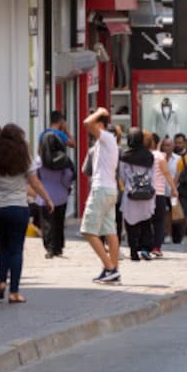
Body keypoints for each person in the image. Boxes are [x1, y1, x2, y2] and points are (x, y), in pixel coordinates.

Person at [0, 123, 54, 303]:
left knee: (4, 246)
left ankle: (2, 282)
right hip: (17, 208)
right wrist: (47, 199)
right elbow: (35, 182)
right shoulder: (23, 157)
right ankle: (13, 291)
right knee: (16, 249)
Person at [81, 108, 121, 283]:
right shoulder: (104, 142)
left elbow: (86, 123)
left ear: (100, 125)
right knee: (109, 231)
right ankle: (113, 270)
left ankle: (110, 267)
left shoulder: (106, 138)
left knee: (88, 230)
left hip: (102, 188)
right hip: (108, 189)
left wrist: (99, 112)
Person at [120, 128, 159, 262]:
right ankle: (145, 249)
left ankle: (133, 252)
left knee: (131, 225)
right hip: (147, 194)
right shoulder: (149, 155)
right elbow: (153, 174)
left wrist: (130, 185)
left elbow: (122, 176)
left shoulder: (125, 156)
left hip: (131, 194)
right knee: (146, 222)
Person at [35, 150, 74, 258]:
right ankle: (58, 247)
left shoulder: (39, 160)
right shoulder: (62, 159)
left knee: (47, 223)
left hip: (44, 195)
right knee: (59, 222)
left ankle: (49, 248)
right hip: (61, 194)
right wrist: (66, 187)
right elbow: (68, 176)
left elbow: (35, 177)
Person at [144, 131, 176, 256]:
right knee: (159, 221)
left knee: (146, 220)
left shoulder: (144, 155)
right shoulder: (159, 156)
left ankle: (146, 246)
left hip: (144, 192)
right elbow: (167, 173)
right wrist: (173, 188)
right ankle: (157, 247)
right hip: (159, 192)